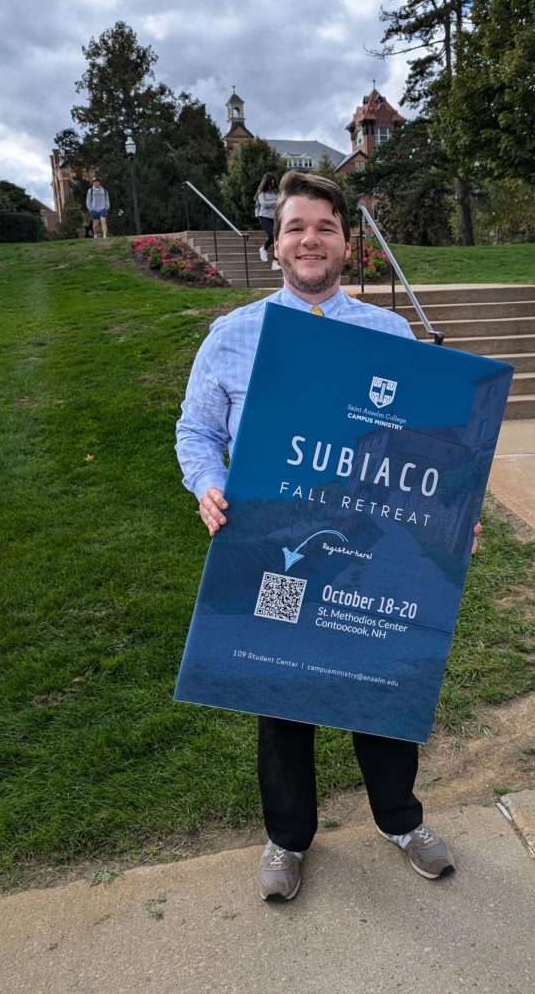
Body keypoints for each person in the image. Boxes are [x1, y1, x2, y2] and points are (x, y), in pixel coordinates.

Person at [176, 171, 465, 903]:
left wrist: (453, 511)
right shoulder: (234, 335)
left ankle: (402, 822)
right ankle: (286, 840)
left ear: (346, 244)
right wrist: (207, 485)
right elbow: (197, 430)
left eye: (325, 228)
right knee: (282, 687)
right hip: (278, 542)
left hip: (371, 545)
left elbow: (432, 444)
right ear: (275, 245)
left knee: (379, 678)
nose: (311, 239)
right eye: (296, 227)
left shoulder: (390, 337)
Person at [254, 172, 279, 268]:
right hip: (264, 217)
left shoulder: (276, 192)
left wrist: (275, 202)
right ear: (266, 183)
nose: (272, 184)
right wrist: (276, 202)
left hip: (275, 217)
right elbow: (264, 203)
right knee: (272, 236)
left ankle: (275, 263)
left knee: (277, 240)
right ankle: (263, 248)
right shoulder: (261, 192)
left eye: (273, 182)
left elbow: (281, 201)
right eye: (270, 182)